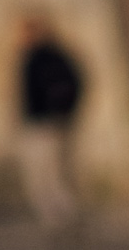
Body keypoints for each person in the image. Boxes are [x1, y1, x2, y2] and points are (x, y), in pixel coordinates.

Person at [16, 13, 85, 233]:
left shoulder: (52, 56)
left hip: (49, 124)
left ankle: (68, 219)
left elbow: (73, 85)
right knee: (38, 177)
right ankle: (54, 222)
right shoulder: (28, 57)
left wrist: (61, 113)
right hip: (33, 125)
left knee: (54, 174)